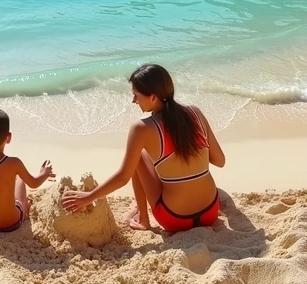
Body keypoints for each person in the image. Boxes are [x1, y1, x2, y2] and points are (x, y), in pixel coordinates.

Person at [61, 64, 224, 233]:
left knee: (138, 155)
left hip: (175, 219)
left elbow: (123, 177)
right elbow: (220, 161)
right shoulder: (194, 112)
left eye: (136, 95)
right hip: (210, 213)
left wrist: (88, 197)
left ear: (153, 97)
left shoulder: (142, 128)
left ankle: (144, 219)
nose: (134, 101)